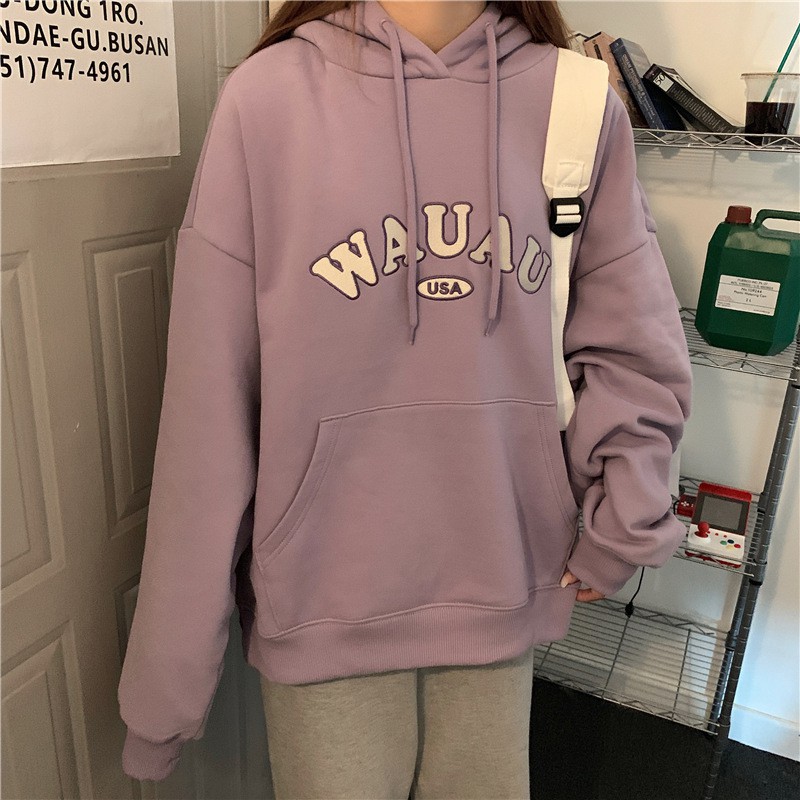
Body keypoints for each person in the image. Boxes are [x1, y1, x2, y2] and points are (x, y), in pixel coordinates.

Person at [117, 0, 693, 796]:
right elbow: (207, 406)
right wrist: (165, 689)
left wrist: (625, 515)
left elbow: (632, 344)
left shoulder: (576, 103)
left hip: (499, 574)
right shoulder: (269, 99)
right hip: (325, 594)